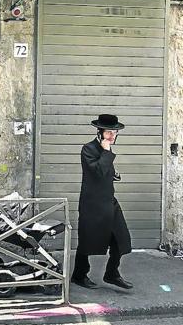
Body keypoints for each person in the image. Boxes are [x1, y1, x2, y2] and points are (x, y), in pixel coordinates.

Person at [71, 114, 133, 290]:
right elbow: (97, 171)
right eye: (108, 133)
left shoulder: (106, 149)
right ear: (99, 132)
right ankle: (79, 275)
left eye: (114, 132)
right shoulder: (88, 149)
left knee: (122, 239)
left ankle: (112, 273)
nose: (112, 136)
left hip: (109, 202)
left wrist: (114, 174)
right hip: (92, 205)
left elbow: (104, 172)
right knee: (87, 241)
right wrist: (106, 152)